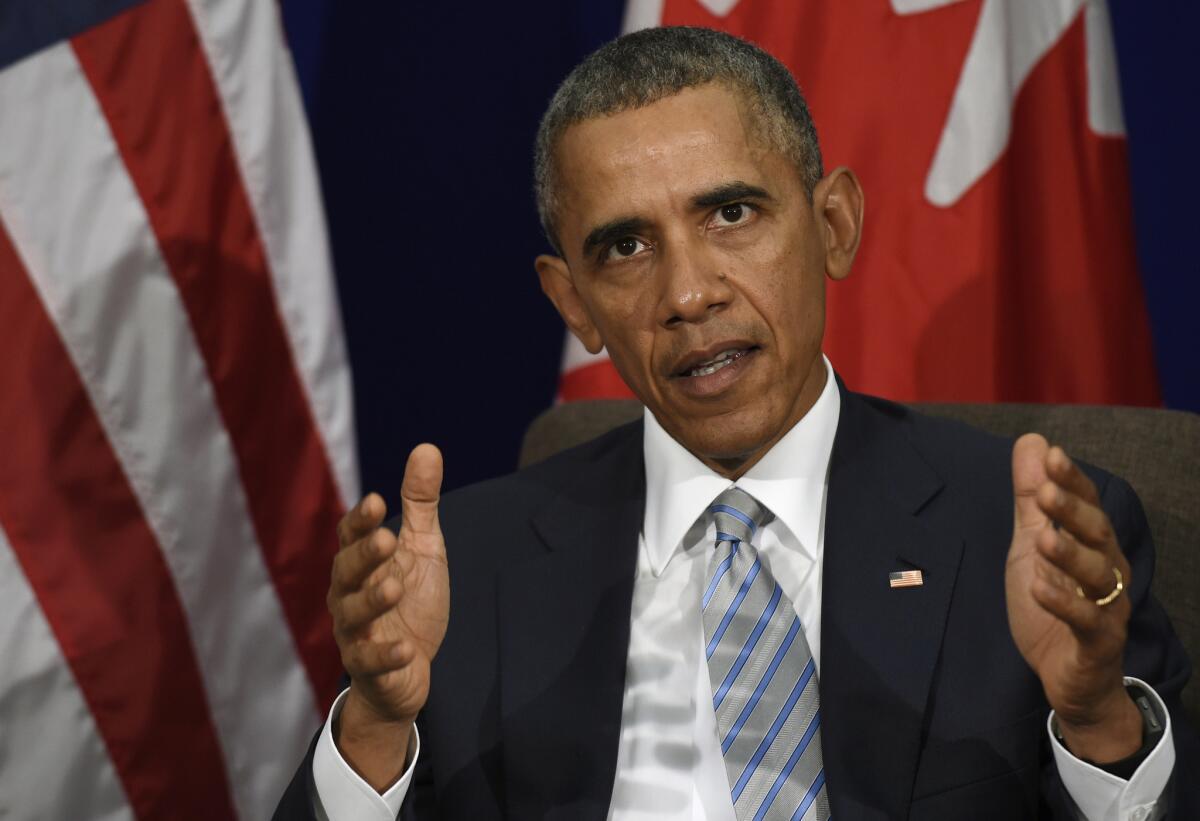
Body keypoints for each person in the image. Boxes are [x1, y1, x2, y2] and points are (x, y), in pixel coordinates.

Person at [275, 26, 1197, 820]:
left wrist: (1095, 725)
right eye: (626, 246)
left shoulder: (1019, 535)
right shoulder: (465, 570)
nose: (687, 292)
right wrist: (375, 725)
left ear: (833, 224)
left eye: (730, 212)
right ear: (575, 304)